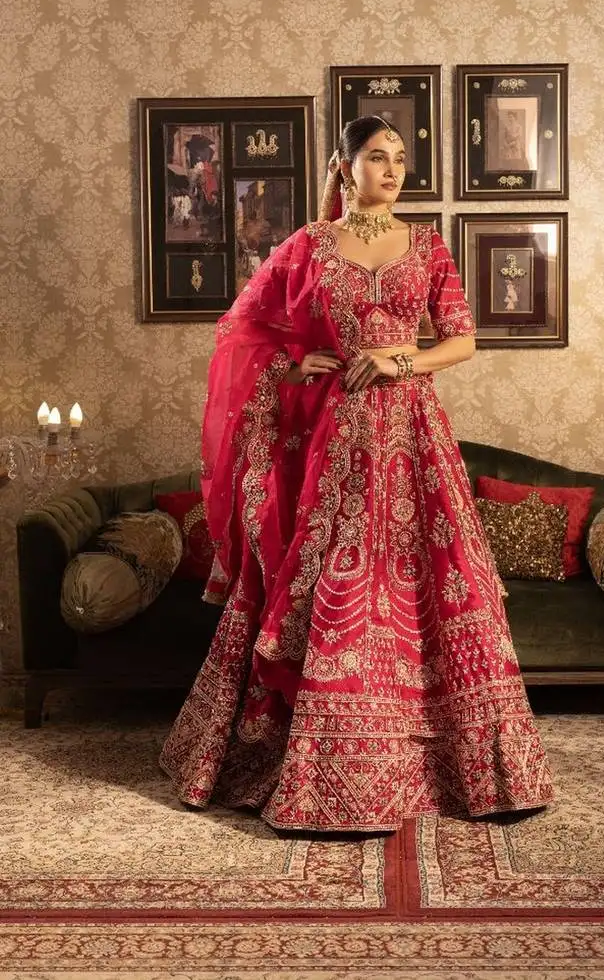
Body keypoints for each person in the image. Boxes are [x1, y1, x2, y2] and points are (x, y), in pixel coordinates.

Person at [160, 115, 554, 832]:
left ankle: (474, 773)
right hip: (334, 439)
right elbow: (243, 332)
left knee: (436, 581)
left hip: (414, 436)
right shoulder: (308, 245)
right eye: (377, 157)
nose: (393, 169)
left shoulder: (428, 245)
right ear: (345, 168)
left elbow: (462, 339)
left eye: (400, 158)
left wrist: (404, 359)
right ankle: (330, 772)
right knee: (338, 582)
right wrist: (291, 365)